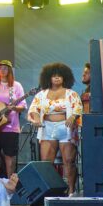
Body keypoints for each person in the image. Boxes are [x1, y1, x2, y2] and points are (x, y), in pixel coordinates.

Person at [28, 62, 83, 196]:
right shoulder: (41, 94)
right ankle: (50, 191)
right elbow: (34, 109)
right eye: (54, 76)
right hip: (47, 128)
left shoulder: (71, 93)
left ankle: (71, 191)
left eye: (60, 75)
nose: (57, 78)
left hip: (66, 128)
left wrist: (73, 117)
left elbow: (78, 108)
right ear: (48, 78)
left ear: (65, 77)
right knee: (46, 163)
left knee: (68, 161)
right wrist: (36, 119)